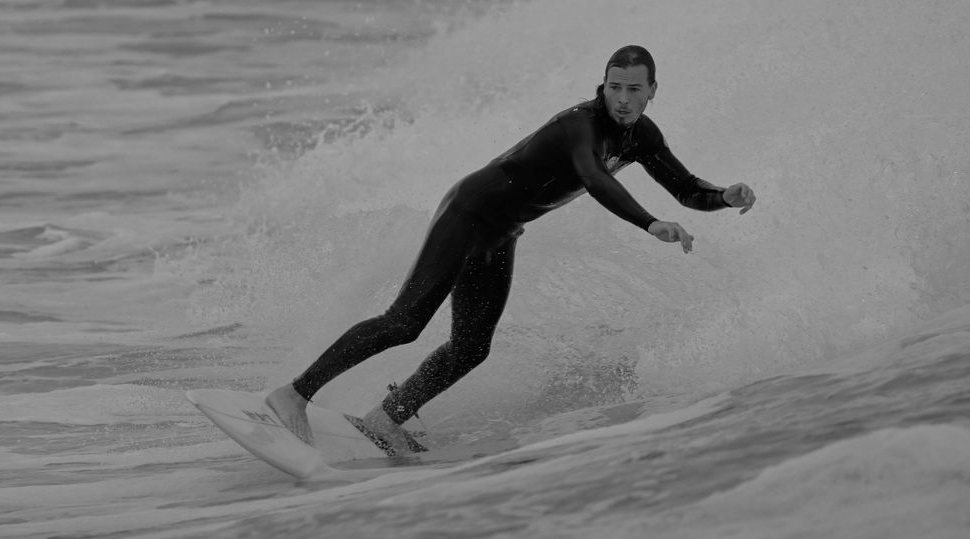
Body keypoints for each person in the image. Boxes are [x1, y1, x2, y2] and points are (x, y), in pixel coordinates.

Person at [266, 45, 757, 454]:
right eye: (614, 87)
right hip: (468, 213)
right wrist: (649, 223)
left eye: (634, 89)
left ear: (652, 91)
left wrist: (722, 197)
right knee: (405, 322)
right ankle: (293, 394)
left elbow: (685, 187)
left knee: (471, 348)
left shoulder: (642, 136)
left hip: (501, 232)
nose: (623, 99)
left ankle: (385, 419)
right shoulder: (581, 125)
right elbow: (594, 178)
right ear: (602, 86)